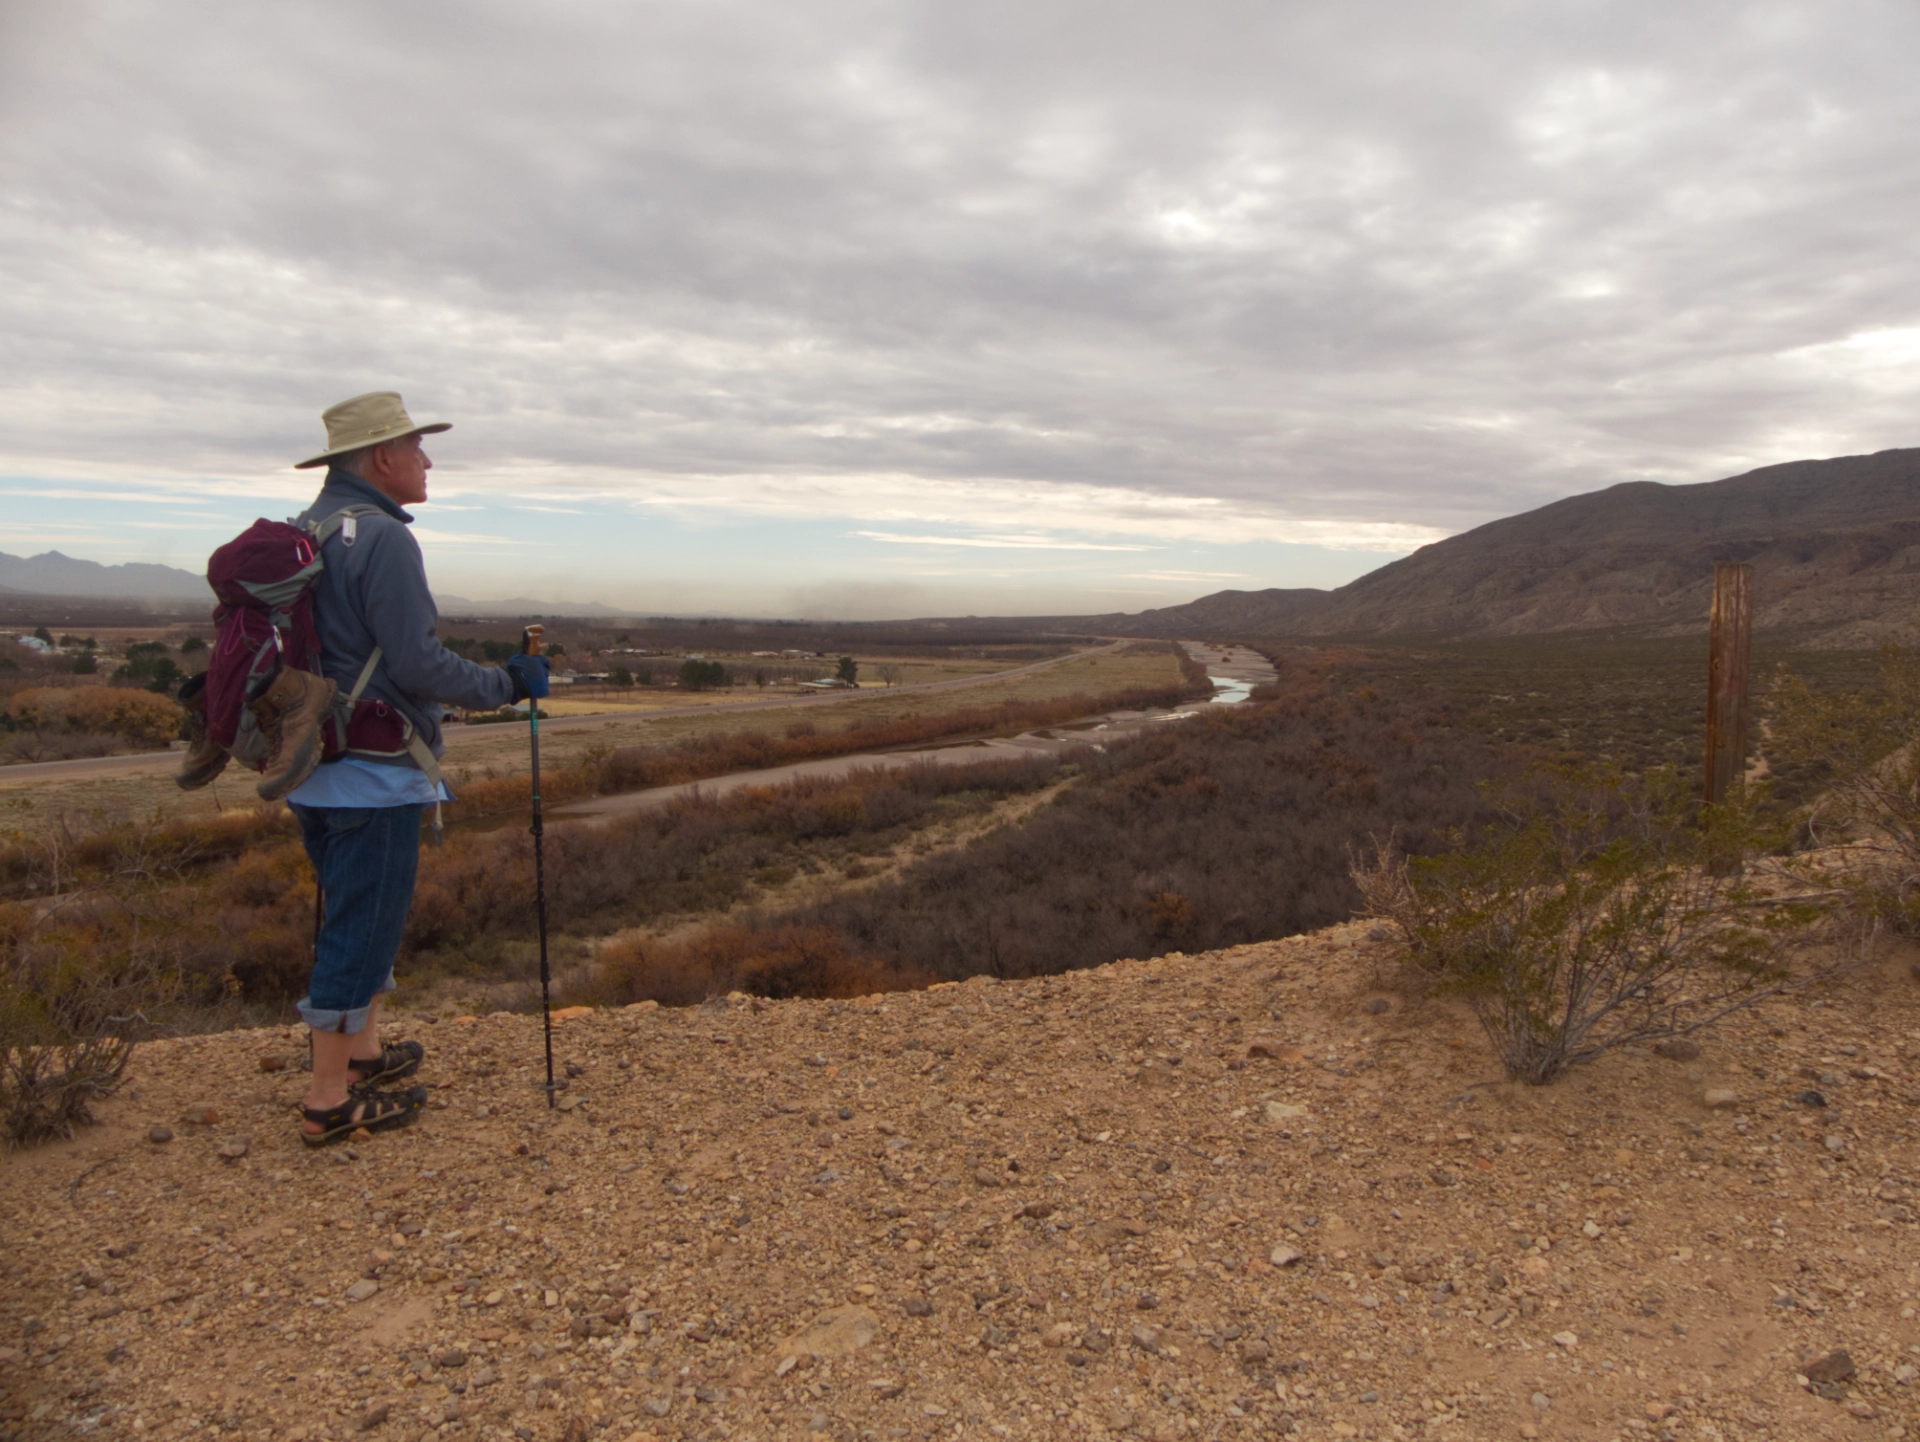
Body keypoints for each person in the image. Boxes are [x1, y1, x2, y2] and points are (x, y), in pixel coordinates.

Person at [286, 392, 548, 1146]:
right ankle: (328, 1098)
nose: (427, 460)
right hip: (375, 769)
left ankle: (363, 1053)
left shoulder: (310, 531)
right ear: (380, 459)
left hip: (314, 761)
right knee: (360, 929)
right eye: (416, 447)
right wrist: (507, 684)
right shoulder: (384, 540)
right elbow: (416, 662)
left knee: (352, 912)